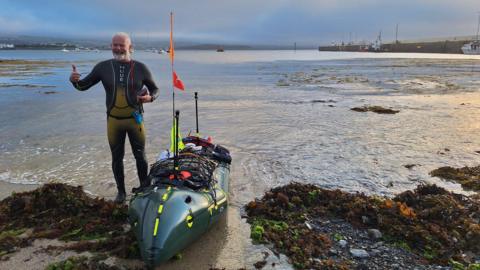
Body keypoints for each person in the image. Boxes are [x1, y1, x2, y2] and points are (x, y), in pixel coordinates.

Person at [69, 32, 159, 203]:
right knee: (116, 158)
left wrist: (150, 98)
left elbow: (155, 89)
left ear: (130, 47)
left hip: (135, 120)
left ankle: (144, 188)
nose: (117, 48)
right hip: (114, 122)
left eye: (121, 44)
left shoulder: (141, 68)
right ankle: (121, 193)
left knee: (140, 155)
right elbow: (83, 87)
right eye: (114, 44)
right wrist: (74, 81)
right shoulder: (103, 67)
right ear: (111, 46)